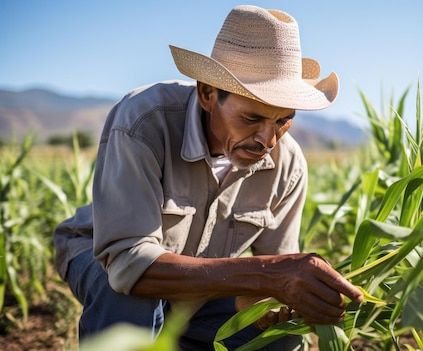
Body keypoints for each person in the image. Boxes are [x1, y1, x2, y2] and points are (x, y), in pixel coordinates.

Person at [52, 5, 363, 351]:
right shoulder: (143, 122)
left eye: (282, 121)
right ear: (206, 93)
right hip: (102, 259)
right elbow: (128, 264)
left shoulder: (287, 164)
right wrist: (266, 275)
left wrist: (265, 298)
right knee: (129, 299)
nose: (268, 140)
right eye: (251, 118)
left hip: (201, 288)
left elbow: (274, 277)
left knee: (281, 338)